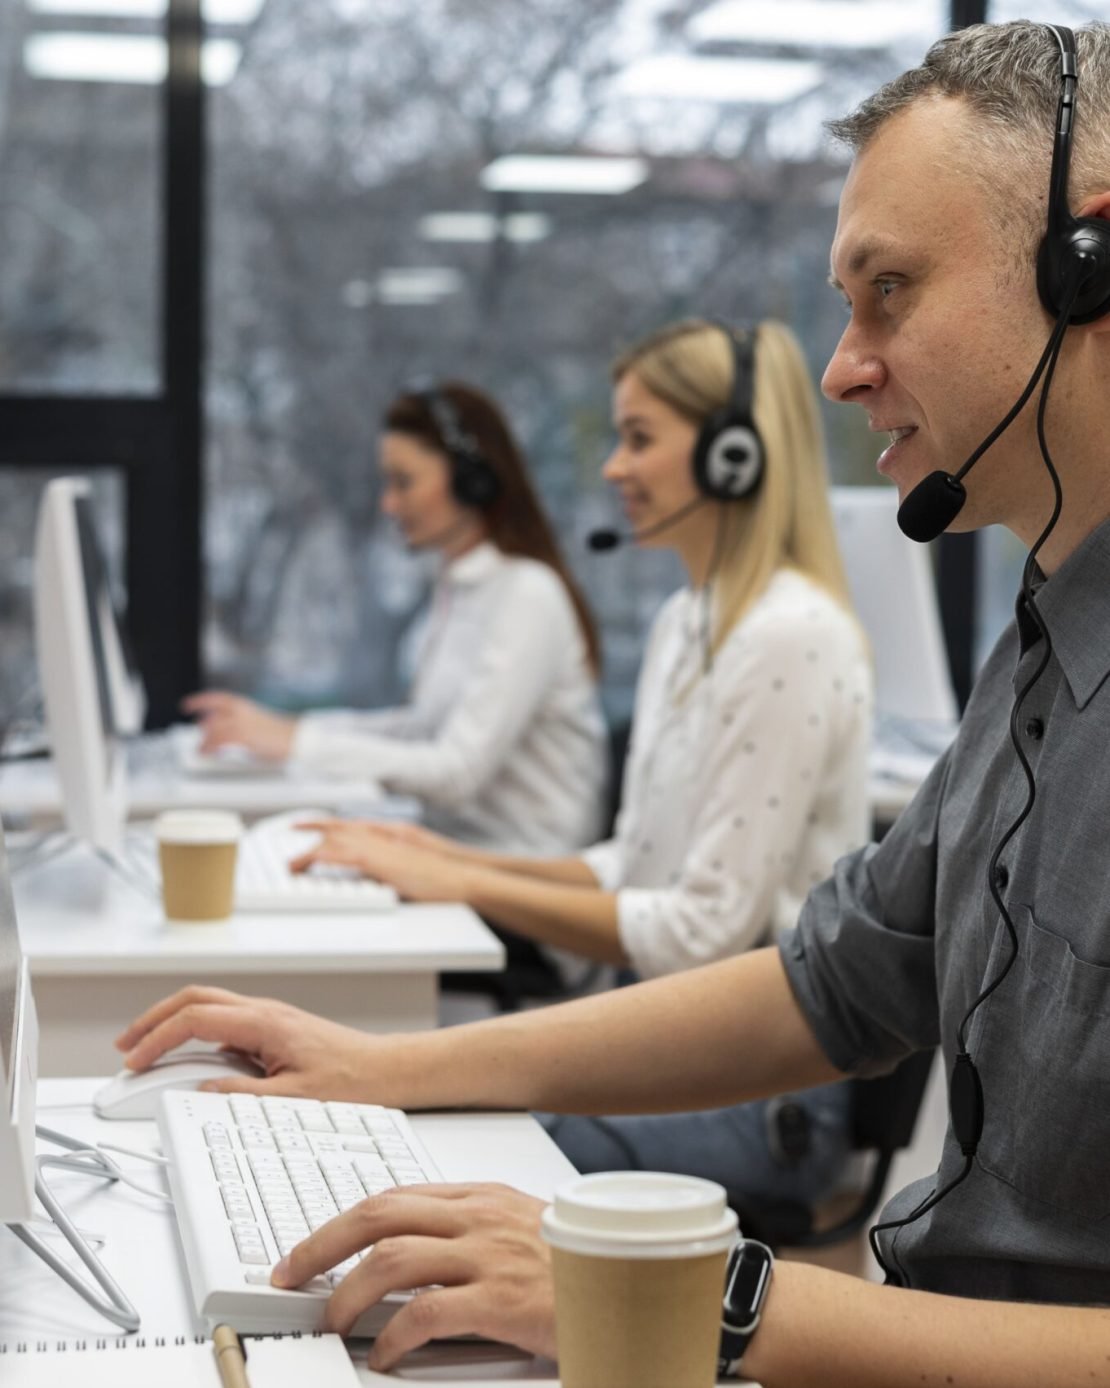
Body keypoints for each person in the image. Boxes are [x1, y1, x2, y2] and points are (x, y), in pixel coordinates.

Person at [116, 20, 1110, 1385]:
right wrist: (383, 1067)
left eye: (889, 289)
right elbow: (828, 987)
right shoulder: (1043, 647)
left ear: (1087, 262)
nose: (841, 366)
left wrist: (704, 1299)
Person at [283, 317, 872, 1209]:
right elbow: (629, 861)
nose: (612, 468)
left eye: (638, 438)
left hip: (765, 1094)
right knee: (427, 1110)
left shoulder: (789, 635)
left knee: (447, 1134)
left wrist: (465, 883)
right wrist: (445, 859)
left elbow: (702, 932)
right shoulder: (687, 623)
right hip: (672, 1040)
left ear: (734, 457)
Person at [185, 383, 607, 855]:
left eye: (403, 482)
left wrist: (298, 743)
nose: (388, 504)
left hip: (521, 869)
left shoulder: (527, 594)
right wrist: (283, 731)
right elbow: (421, 729)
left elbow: (457, 773)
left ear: (473, 482)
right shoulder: (461, 587)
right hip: (455, 850)